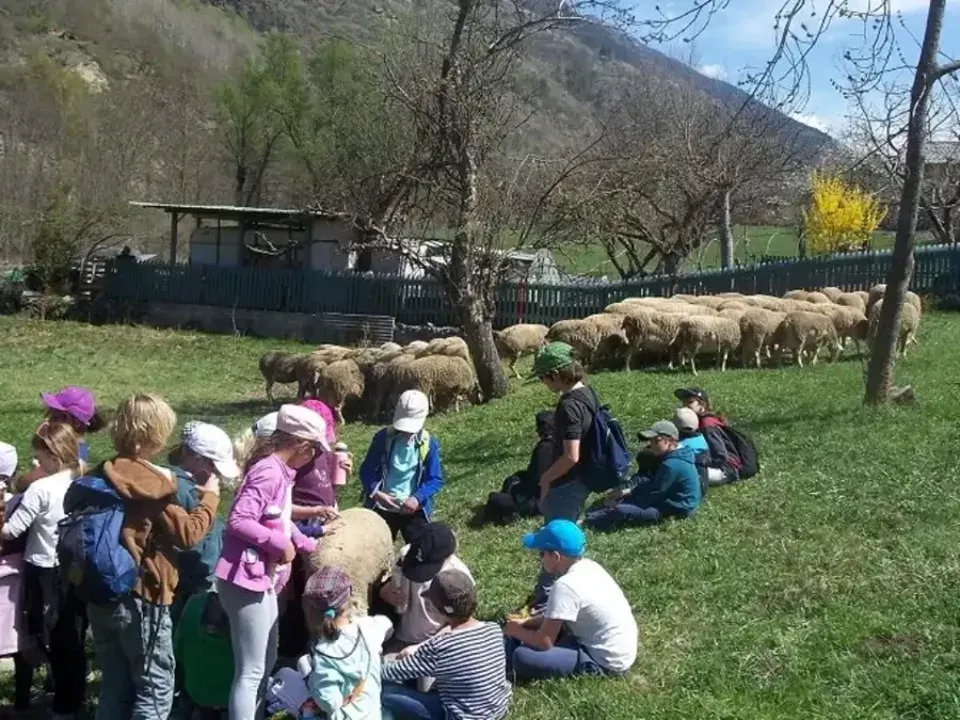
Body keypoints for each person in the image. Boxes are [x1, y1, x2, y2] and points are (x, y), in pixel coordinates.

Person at [82, 393, 220, 720]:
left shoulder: (102, 472)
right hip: (142, 594)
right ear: (153, 436)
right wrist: (211, 499)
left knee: (115, 686)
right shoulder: (150, 482)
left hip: (99, 591)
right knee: (155, 687)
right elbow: (187, 535)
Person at [215, 404, 327, 720]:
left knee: (266, 660)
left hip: (261, 577)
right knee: (250, 670)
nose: (317, 458)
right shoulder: (267, 472)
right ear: (302, 445)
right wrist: (280, 545)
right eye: (317, 450)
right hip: (243, 579)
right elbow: (239, 520)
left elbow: (278, 518)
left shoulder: (280, 473)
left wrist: (306, 543)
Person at [2, 423, 87, 717]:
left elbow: (11, 531)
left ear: (53, 455)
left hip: (43, 568)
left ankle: (62, 706)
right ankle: (74, 698)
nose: (36, 463)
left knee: (48, 637)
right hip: (74, 566)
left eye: (38, 456)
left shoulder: (40, 489)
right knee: (73, 638)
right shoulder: (81, 480)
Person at [504, 520, 637, 681]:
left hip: (604, 662)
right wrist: (527, 623)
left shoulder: (565, 586)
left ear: (556, 556)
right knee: (535, 634)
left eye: (542, 553)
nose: (540, 559)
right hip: (620, 651)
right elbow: (556, 616)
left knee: (522, 656)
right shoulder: (591, 567)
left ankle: (507, 667)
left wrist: (515, 630)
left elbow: (544, 642)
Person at [381, 570, 511, 720]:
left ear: (439, 608)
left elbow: (390, 673)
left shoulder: (442, 647)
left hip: (461, 716)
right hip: (497, 710)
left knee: (384, 691)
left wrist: (378, 663)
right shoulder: (493, 629)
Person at [299, 567, 393, 720]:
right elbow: (388, 625)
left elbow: (330, 703)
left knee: (303, 664)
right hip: (373, 715)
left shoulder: (324, 653)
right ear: (349, 599)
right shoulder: (370, 627)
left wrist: (313, 685)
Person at [168, 421, 238, 624]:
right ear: (196, 458)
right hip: (193, 579)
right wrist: (209, 498)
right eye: (213, 466)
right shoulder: (181, 490)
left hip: (204, 575)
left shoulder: (195, 485)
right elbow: (191, 537)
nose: (215, 473)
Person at [359, 390, 443, 543]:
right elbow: (366, 470)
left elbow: (435, 479)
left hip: (413, 510)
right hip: (382, 507)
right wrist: (376, 493)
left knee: (420, 551)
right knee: (376, 549)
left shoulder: (429, 443)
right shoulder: (383, 438)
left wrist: (417, 498)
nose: (406, 432)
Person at [584, 421, 701, 530]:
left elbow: (654, 493)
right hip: (673, 501)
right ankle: (597, 514)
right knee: (627, 499)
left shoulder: (671, 464)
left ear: (670, 441)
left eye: (657, 441)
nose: (652, 445)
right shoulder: (679, 455)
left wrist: (626, 500)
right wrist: (626, 492)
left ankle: (588, 521)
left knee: (622, 509)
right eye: (651, 441)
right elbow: (654, 485)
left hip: (678, 510)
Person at [378, 523, 474, 653]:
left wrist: (421, 647)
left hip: (435, 642)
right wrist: (386, 593)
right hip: (400, 634)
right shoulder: (405, 556)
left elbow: (461, 624)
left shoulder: (458, 580)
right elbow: (386, 584)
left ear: (446, 557)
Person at [530, 342, 599, 522]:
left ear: (554, 375)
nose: (543, 383)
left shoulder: (569, 406)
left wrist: (546, 479)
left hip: (567, 483)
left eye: (541, 378)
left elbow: (571, 456)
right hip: (583, 476)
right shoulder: (587, 391)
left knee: (558, 539)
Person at [483, 411, 553, 524]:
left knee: (495, 498)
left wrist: (518, 490)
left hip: (536, 498)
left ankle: (510, 514)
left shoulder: (545, 448)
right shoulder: (563, 443)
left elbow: (540, 480)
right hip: (551, 494)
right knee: (516, 477)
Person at [174, 590, 233, 719]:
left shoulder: (194, 602)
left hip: (197, 695)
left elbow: (178, 651)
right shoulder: (250, 610)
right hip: (235, 703)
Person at [674, 387, 740, 485]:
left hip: (725, 470)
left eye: (690, 402)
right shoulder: (693, 422)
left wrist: (699, 462)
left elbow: (721, 457)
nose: (685, 406)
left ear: (702, 404)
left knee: (679, 473)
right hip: (711, 466)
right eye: (684, 403)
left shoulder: (707, 424)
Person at [40, 386, 106, 466]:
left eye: (55, 417)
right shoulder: (78, 447)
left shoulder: (65, 451)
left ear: (76, 423)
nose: (48, 419)